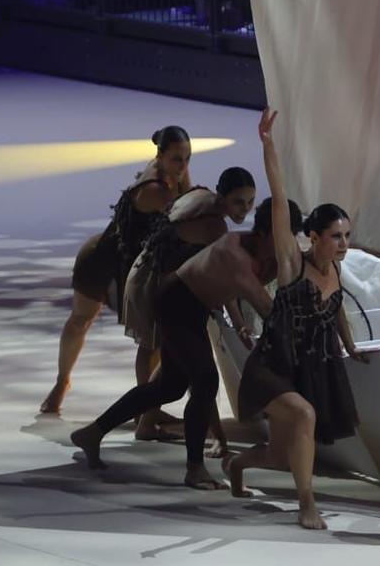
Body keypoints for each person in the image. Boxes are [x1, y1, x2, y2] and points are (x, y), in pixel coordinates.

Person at [70, 150, 289, 491]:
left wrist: (238, 321)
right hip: (171, 298)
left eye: (249, 203)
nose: (243, 210)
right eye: (238, 202)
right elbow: (247, 290)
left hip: (183, 298)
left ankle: (93, 431)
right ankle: (194, 468)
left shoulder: (208, 207)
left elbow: (223, 277)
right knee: (204, 380)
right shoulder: (218, 229)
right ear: (222, 195)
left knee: (169, 385)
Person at [225, 111, 370, 530]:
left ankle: (237, 465)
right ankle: (307, 504)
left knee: (276, 454)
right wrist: (269, 145)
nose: (344, 244)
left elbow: (336, 307)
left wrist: (351, 346)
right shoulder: (293, 264)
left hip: (306, 369)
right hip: (271, 366)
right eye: (336, 237)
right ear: (314, 237)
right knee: (305, 417)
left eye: (346, 236)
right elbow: (279, 194)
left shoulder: (335, 271)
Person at [41, 125, 192, 418]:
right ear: (160, 156)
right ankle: (62, 381)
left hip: (135, 263)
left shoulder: (168, 171)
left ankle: (147, 409)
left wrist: (182, 172)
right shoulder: (155, 190)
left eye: (188, 158)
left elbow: (186, 193)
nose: (183, 165)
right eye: (177, 159)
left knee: (154, 338)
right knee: (80, 321)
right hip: (104, 259)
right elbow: (187, 210)